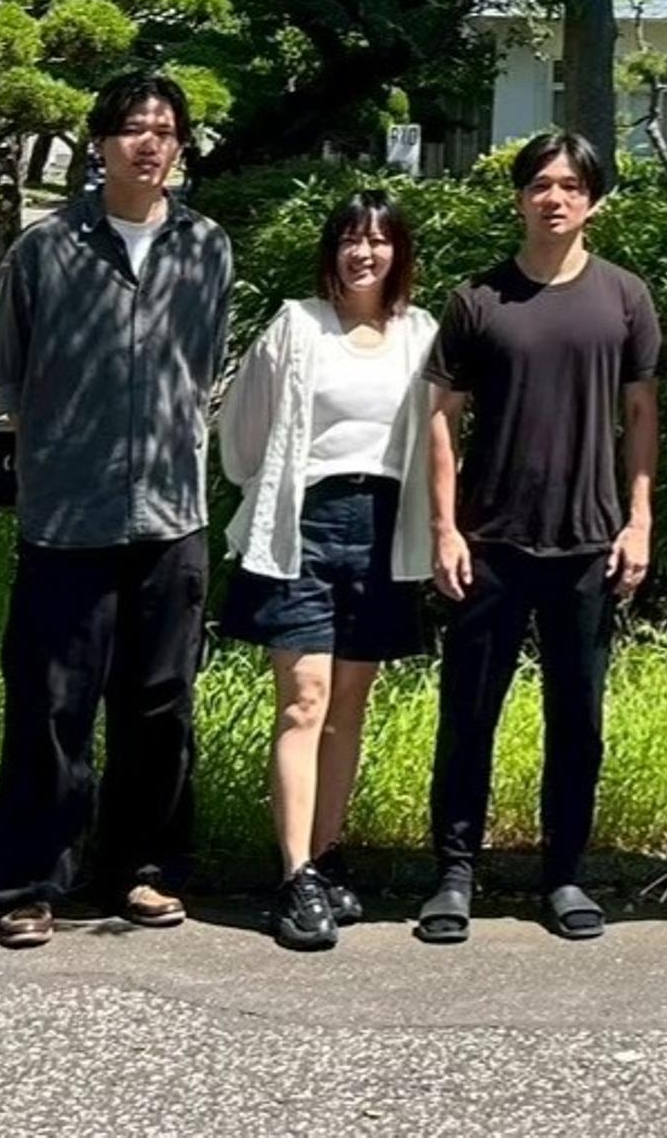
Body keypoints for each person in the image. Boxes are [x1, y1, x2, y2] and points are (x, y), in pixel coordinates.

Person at [0, 72, 234, 949]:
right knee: (51, 705)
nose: (149, 143)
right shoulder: (47, 248)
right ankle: (30, 881)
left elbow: (204, 366)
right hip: (67, 516)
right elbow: (9, 376)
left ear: (181, 144)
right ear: (99, 142)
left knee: (160, 703)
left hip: (171, 513)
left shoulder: (207, 247)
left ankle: (142, 867)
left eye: (165, 129)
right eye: (131, 127)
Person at [417, 131, 659, 944]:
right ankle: (455, 872)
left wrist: (640, 519)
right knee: (468, 715)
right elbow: (441, 418)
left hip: (589, 543)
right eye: (540, 185)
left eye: (571, 186)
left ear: (594, 200)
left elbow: (641, 413)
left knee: (578, 720)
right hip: (489, 542)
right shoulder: (477, 298)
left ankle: (564, 873)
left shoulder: (624, 297)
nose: (555, 198)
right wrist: (445, 527)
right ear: (520, 197)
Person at [219, 189, 437, 952]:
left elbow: (441, 436)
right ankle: (295, 872)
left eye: (378, 239)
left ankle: (329, 849)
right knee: (303, 701)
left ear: (398, 252)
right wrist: (269, 489)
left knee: (348, 704)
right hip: (303, 525)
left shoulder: (421, 334)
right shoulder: (296, 325)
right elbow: (241, 433)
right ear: (331, 250)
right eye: (349, 238)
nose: (363, 252)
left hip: (383, 531)